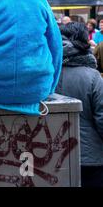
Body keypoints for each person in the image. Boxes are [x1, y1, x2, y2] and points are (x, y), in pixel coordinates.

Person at [55, 22, 103, 187]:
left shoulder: (45, 76)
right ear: (85, 42)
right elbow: (102, 119)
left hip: (50, 159)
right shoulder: (93, 77)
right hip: (90, 159)